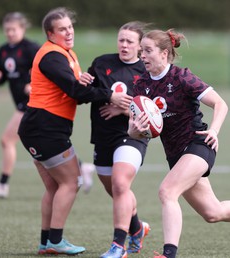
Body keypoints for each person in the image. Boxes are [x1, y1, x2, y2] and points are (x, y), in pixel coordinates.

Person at [128, 29, 230, 258]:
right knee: (213, 212)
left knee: (167, 191)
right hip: (176, 156)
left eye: (147, 50)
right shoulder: (141, 85)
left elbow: (220, 104)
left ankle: (169, 254)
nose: (142, 55)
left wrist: (214, 130)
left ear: (164, 53)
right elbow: (135, 131)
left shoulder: (181, 77)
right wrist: (134, 131)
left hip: (199, 144)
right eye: (141, 50)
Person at [18, 7, 101, 255]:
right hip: (45, 129)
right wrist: (110, 96)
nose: (68, 32)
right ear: (50, 34)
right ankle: (56, 241)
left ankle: (46, 242)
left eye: (70, 27)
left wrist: (82, 80)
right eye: (62, 29)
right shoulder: (52, 56)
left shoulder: (65, 54)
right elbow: (75, 92)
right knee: (71, 181)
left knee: (54, 188)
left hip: (38, 128)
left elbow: (72, 87)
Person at [85, 21, 150, 258]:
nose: (124, 45)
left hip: (132, 135)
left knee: (121, 183)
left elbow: (153, 113)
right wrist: (88, 83)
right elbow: (84, 93)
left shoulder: (146, 71)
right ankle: (137, 228)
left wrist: (122, 109)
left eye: (129, 41)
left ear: (139, 46)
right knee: (113, 188)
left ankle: (118, 247)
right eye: (121, 40)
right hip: (103, 136)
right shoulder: (101, 63)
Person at [0, 12, 40, 198]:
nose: (10, 33)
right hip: (20, 103)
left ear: (22, 28)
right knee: (42, 142)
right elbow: (3, 76)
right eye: (7, 30)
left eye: (13, 29)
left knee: (7, 140)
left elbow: (45, 70)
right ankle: (80, 168)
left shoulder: (32, 48)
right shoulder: (4, 50)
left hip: (31, 102)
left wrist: (33, 84)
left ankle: (2, 185)